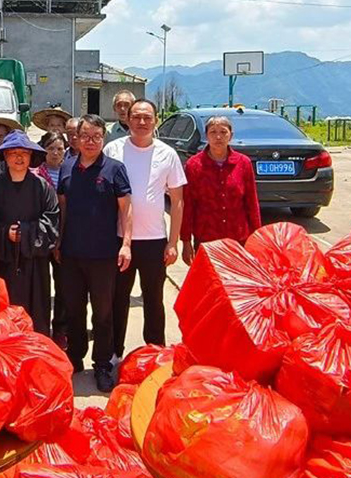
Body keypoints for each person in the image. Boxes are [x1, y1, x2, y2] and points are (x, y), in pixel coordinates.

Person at [103, 99, 186, 356]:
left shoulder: (167, 154)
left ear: (156, 120)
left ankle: (155, 354)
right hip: (119, 240)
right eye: (136, 117)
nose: (141, 122)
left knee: (153, 300)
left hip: (154, 240)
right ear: (127, 119)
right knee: (117, 299)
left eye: (147, 117)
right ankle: (114, 354)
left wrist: (173, 243)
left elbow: (177, 200)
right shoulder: (113, 149)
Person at [58, 114, 132, 392]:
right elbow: (62, 207)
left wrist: (126, 244)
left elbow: (126, 210)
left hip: (104, 255)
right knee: (73, 309)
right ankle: (75, 357)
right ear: (76, 138)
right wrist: (58, 242)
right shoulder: (67, 168)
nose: (90, 142)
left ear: (103, 139)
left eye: (96, 137)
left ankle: (102, 364)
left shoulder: (115, 169)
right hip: (71, 253)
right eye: (85, 136)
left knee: (103, 313)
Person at [0, 130, 61, 336]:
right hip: (4, 261)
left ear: (31, 156)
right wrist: (5, 232)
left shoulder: (42, 186)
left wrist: (26, 232)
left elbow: (52, 221)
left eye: (24, 153)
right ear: (5, 156)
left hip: (35, 262)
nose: (19, 158)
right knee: (4, 314)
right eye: (13, 153)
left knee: (36, 313)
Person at [181, 115, 262, 263]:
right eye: (213, 132)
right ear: (206, 136)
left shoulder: (243, 163)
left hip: (238, 239)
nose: (218, 137)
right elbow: (188, 205)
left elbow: (252, 202)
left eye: (223, 132)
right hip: (206, 239)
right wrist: (185, 240)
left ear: (231, 135)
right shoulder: (194, 165)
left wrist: (257, 237)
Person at [32, 130, 69, 348]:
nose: (55, 153)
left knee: (63, 286)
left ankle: (61, 329)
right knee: (41, 285)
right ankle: (41, 328)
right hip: (41, 238)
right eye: (51, 148)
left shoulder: (70, 172)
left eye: (60, 149)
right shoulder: (34, 174)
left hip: (64, 237)